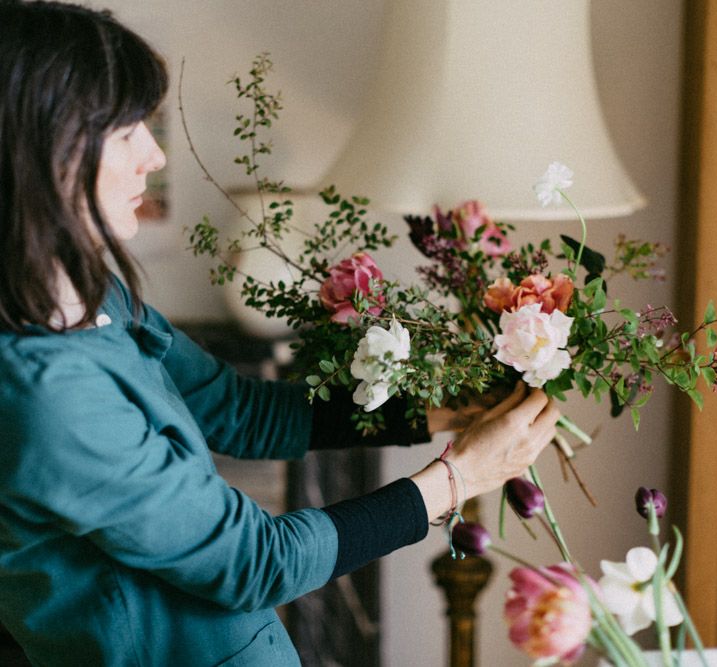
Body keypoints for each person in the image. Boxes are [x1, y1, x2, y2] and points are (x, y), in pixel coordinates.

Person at [0, 1, 560, 665]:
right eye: (126, 132)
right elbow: (258, 561)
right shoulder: (46, 396)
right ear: (50, 151)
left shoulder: (95, 298)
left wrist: (435, 410)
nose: (154, 155)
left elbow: (241, 411)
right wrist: (459, 475)